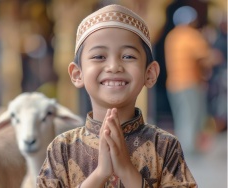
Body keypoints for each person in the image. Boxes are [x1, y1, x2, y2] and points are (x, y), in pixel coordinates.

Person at [36, 4, 196, 188]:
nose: (113, 66)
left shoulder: (165, 146)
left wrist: (127, 171)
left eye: (128, 56)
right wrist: (100, 174)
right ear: (77, 74)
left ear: (150, 73)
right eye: (99, 57)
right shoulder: (62, 148)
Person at [164, 6, 214, 155]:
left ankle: (183, 147)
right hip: (189, 82)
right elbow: (205, 57)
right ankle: (189, 150)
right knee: (191, 116)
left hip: (173, 83)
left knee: (181, 116)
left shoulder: (171, 36)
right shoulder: (191, 35)